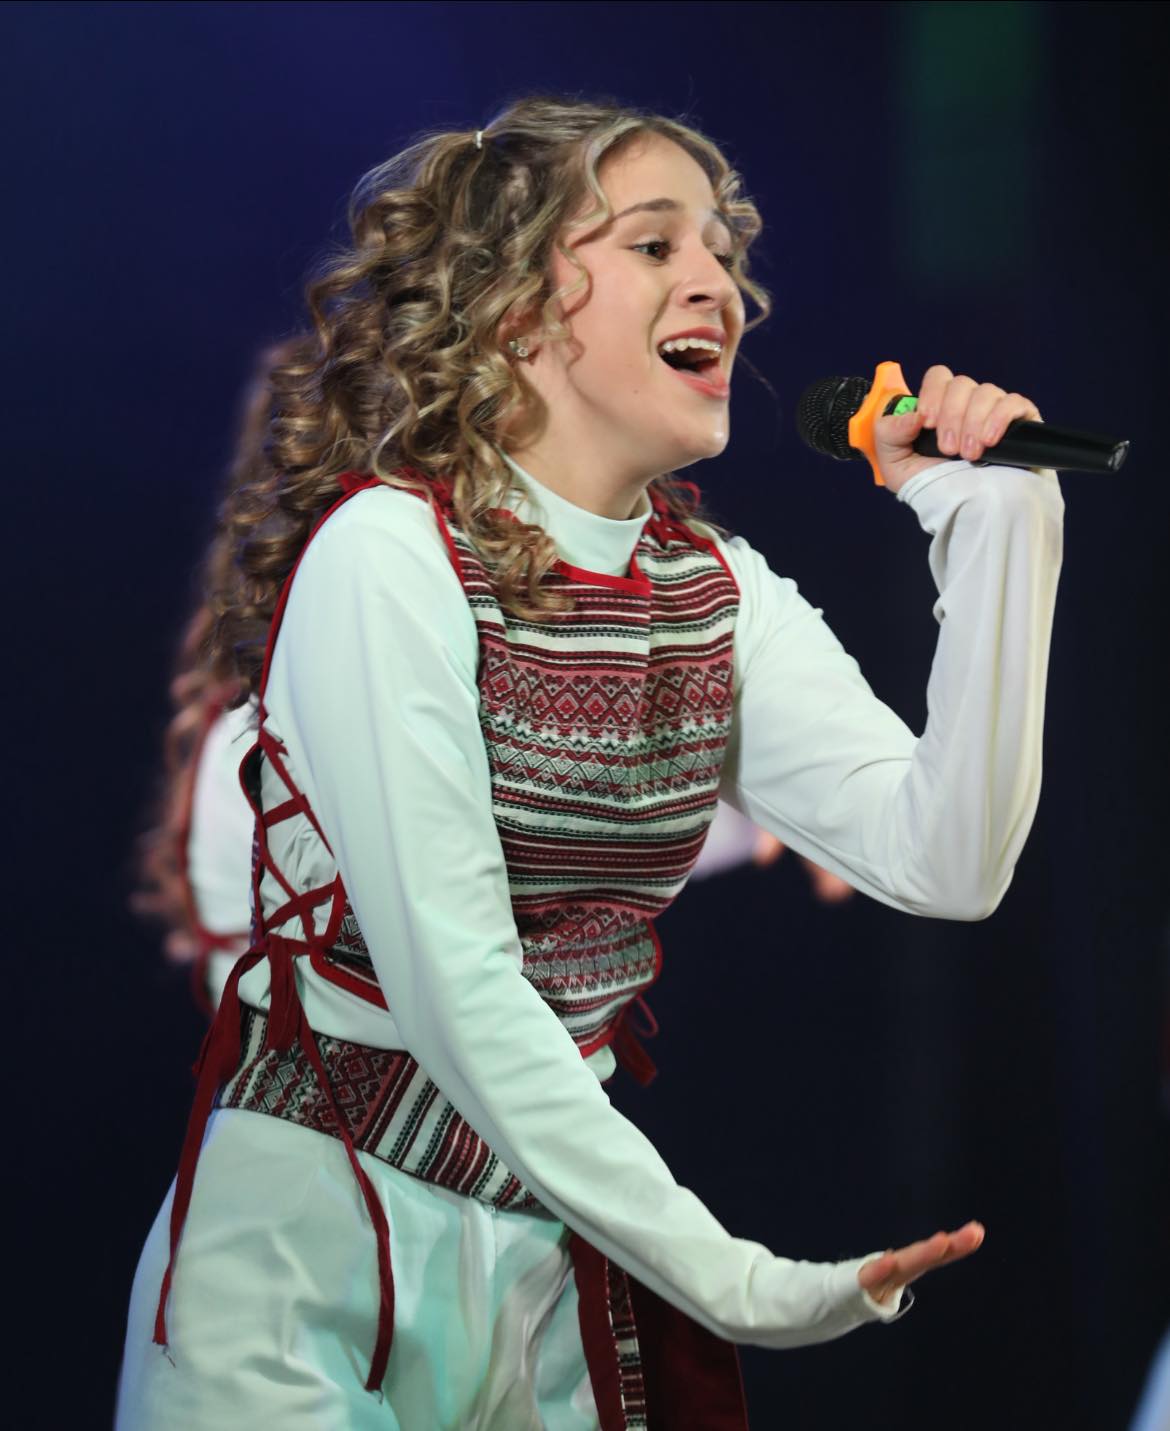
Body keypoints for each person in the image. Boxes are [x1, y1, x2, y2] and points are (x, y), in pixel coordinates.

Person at [117, 96, 1063, 1429]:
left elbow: (947, 861)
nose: (716, 283)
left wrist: (999, 530)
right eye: (653, 244)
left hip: (538, 1272)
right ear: (512, 309)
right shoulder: (387, 556)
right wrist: (738, 1284)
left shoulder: (714, 593)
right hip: (309, 1265)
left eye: (722, 251)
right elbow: (462, 996)